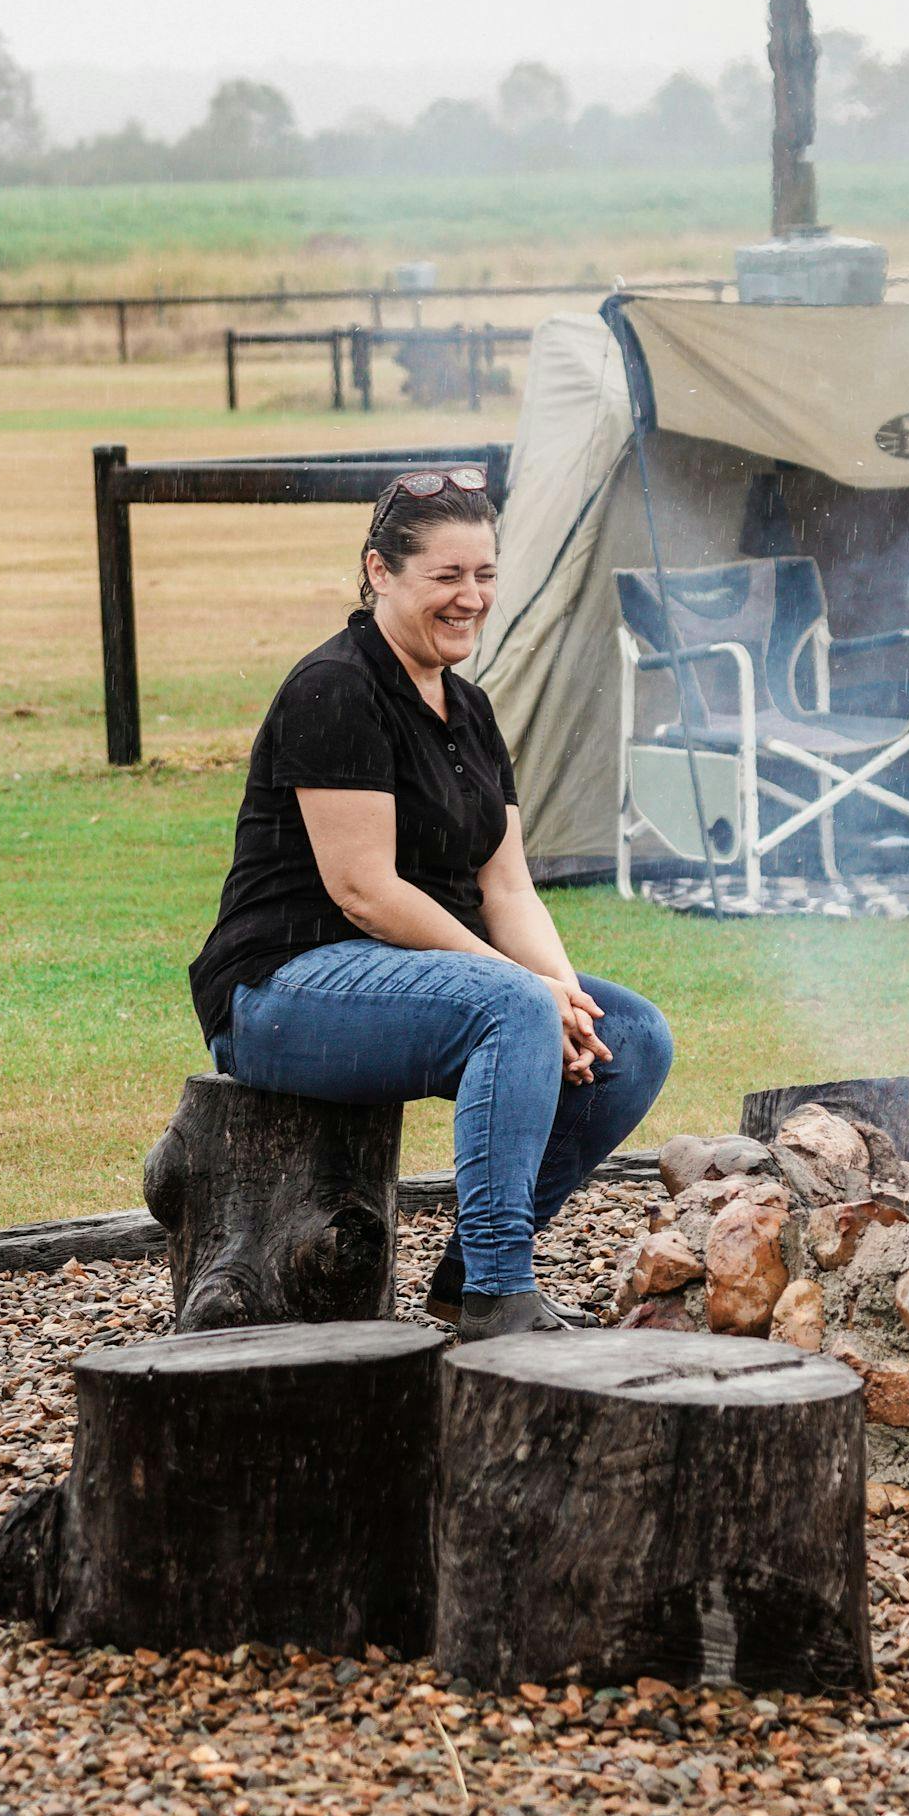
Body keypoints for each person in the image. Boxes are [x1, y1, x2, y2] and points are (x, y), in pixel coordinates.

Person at [186, 467, 673, 1339]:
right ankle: (498, 1295)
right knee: (512, 1006)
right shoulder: (335, 688)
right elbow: (364, 891)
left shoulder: (471, 710)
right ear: (380, 571)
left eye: (485, 574)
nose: (471, 598)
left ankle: (458, 1282)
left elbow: (507, 886)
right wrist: (525, 993)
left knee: (630, 1038)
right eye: (446, 576)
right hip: (280, 989)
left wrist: (566, 996)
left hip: (419, 981)